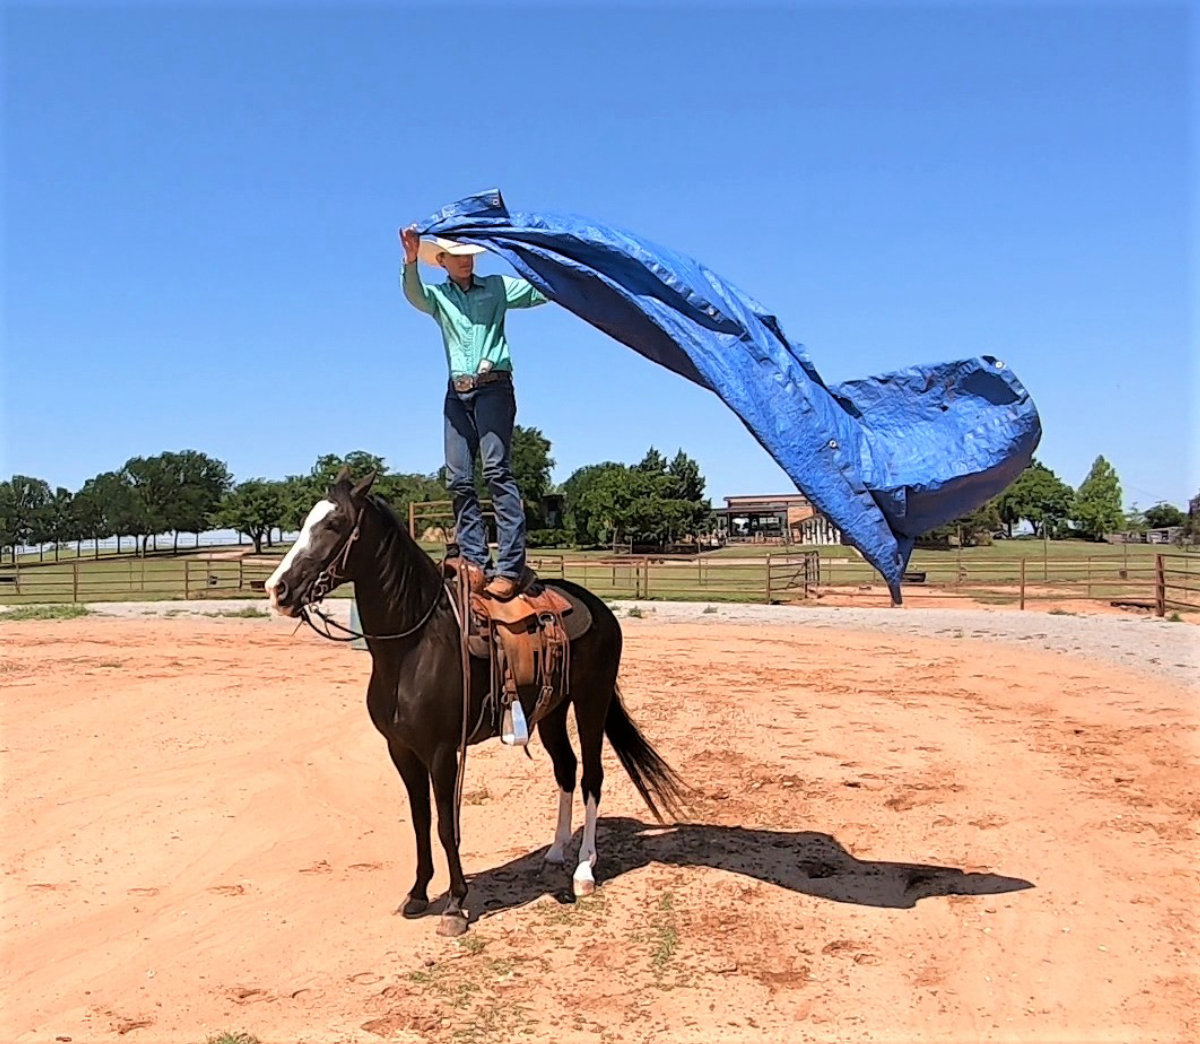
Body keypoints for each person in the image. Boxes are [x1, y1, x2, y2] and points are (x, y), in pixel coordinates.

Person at [399, 226, 548, 600]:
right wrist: (411, 258)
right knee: (458, 479)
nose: (464, 260)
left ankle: (510, 567)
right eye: (457, 255)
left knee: (497, 470)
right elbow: (413, 295)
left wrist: (542, 262)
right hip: (457, 392)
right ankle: (475, 561)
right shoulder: (437, 298)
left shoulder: (496, 287)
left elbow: (538, 292)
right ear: (443, 262)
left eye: (469, 255)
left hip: (494, 387)